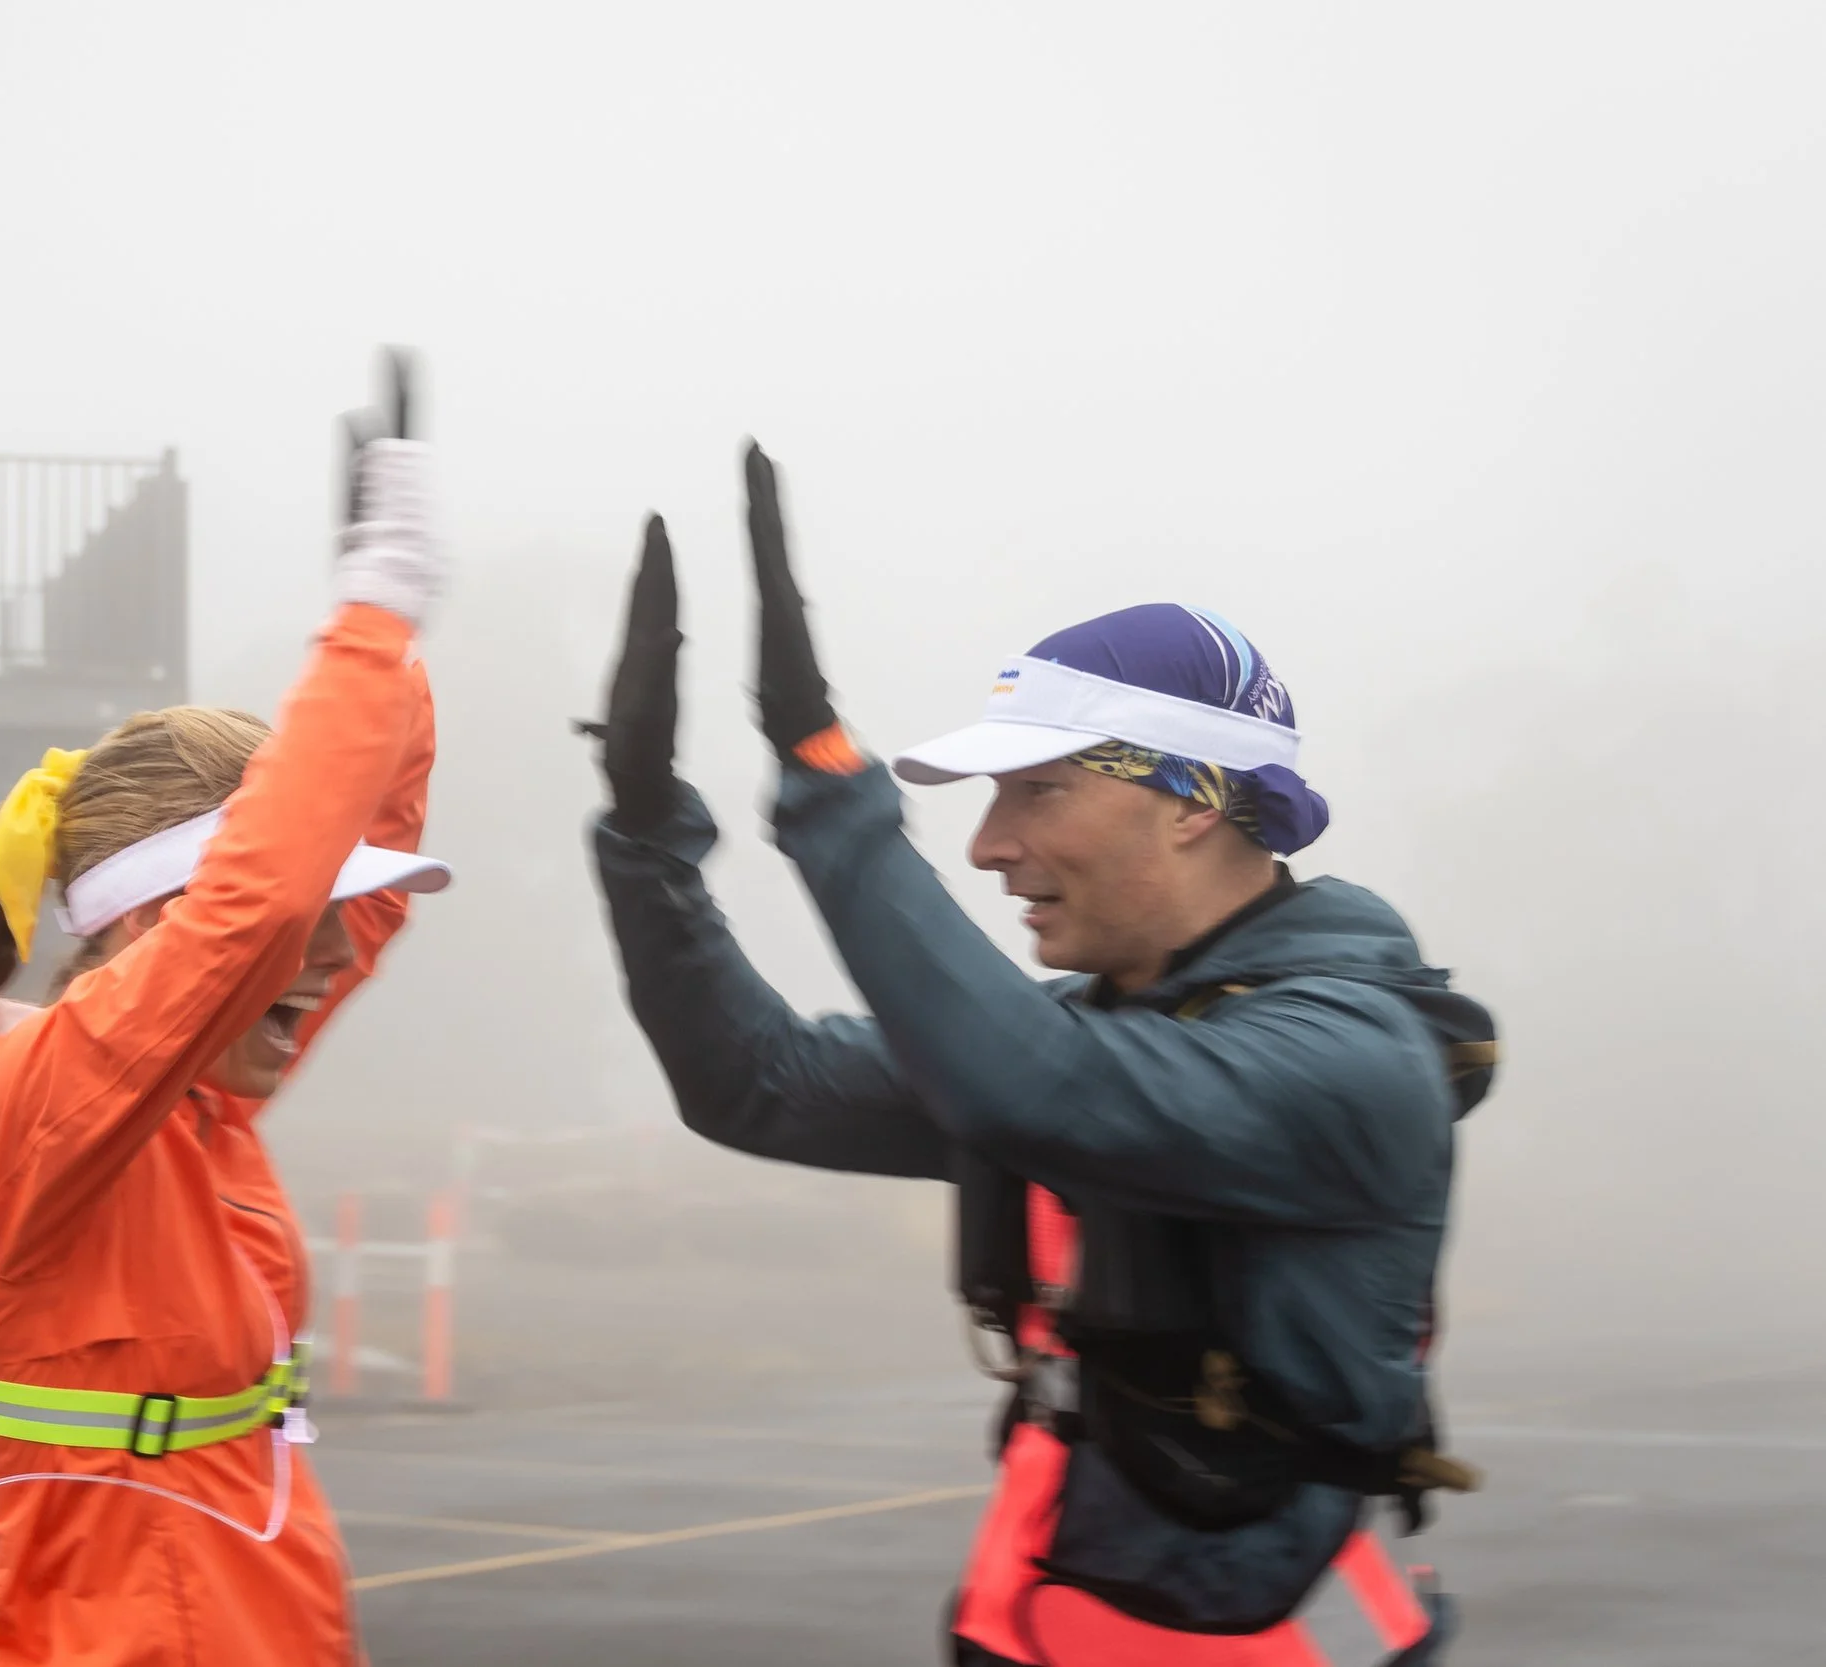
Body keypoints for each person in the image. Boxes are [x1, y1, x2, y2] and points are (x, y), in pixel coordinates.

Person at [583, 446, 1495, 1666]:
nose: (988, 845)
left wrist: (824, 778)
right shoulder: (1110, 1029)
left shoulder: (1343, 1059)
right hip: (1061, 1614)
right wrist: (648, 841)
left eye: (1039, 791)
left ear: (1191, 800)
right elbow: (760, 1084)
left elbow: (1028, 1089)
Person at [0, 354, 449, 1667]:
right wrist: (365, 628)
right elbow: (260, 912)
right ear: (141, 929)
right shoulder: (3, 1130)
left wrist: (394, 670)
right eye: (304, 913)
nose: (334, 949)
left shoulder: (193, 1101)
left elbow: (325, 903)